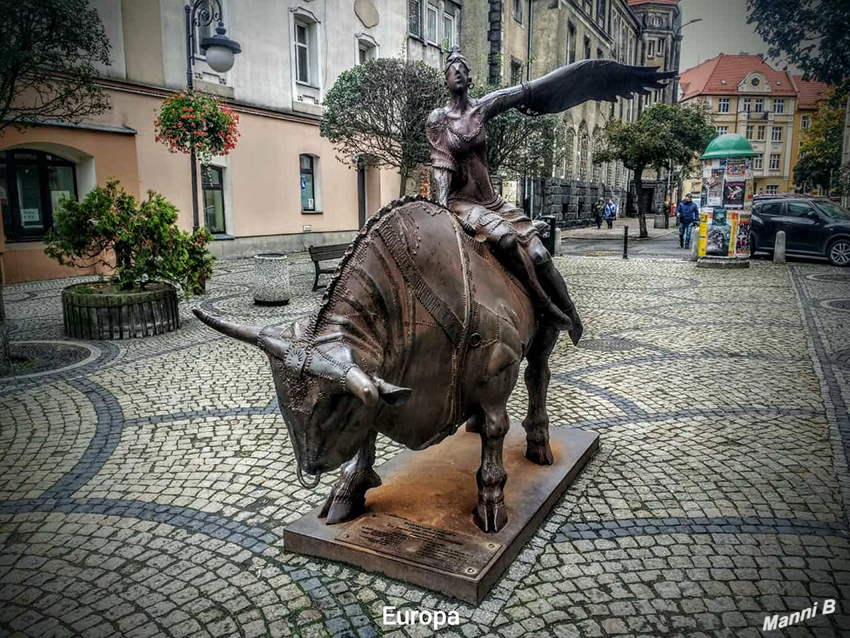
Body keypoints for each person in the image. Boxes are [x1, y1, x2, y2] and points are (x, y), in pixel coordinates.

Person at [426, 47, 674, 334]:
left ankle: (570, 312)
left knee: (541, 255)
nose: (456, 71)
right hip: (462, 204)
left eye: (462, 68)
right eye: (451, 70)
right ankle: (545, 305)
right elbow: (441, 165)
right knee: (506, 240)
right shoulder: (438, 120)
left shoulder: (482, 110)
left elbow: (534, 89)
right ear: (445, 80)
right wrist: (441, 207)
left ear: (470, 78)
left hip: (491, 202)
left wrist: (595, 75)